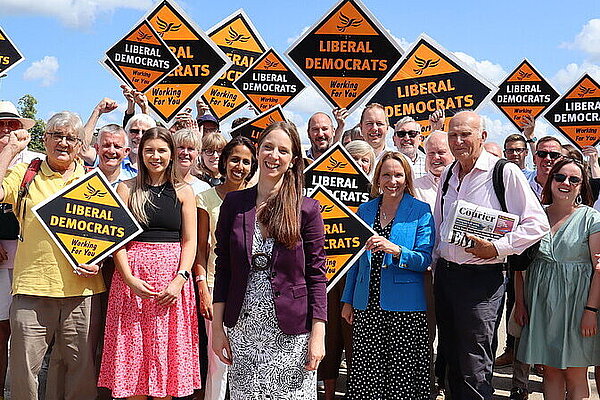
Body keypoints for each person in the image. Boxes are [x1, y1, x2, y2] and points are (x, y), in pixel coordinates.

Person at [433, 110, 549, 400]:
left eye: (465, 134)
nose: (458, 141)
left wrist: (496, 248)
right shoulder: (448, 173)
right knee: (450, 360)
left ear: (482, 137)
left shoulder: (504, 172)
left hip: (481, 281)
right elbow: (439, 226)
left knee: (475, 365)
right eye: (452, 135)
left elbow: (537, 224)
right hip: (446, 277)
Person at [211, 121, 327, 398]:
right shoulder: (234, 204)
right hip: (244, 327)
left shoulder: (307, 209)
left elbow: (316, 274)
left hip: (292, 331)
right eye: (268, 147)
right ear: (258, 152)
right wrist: (217, 329)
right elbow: (223, 267)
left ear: (293, 160)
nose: (274, 155)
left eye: (283, 151)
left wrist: (318, 334)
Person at [0, 111, 105, 400]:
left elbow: (107, 231)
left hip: (82, 291)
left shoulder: (92, 179)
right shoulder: (25, 174)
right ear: (44, 139)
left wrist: (100, 259)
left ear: (80, 145)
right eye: (56, 135)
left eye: (71, 138)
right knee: (24, 372)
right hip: (31, 289)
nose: (63, 142)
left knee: (80, 372)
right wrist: (9, 150)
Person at [98, 127, 200, 399]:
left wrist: (180, 278)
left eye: (162, 150)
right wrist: (129, 278)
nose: (155, 156)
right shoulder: (126, 188)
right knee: (132, 362)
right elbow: (117, 241)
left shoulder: (184, 191)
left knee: (167, 366)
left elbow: (190, 241)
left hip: (172, 288)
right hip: (132, 286)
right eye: (149, 150)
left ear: (172, 154)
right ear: (140, 153)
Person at [341, 151, 435, 399]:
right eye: (386, 175)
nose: (392, 181)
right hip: (366, 304)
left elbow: (425, 259)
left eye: (398, 175)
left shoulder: (420, 211)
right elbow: (355, 262)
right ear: (377, 179)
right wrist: (348, 300)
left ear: (407, 178)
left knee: (401, 376)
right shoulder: (365, 210)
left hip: (405, 308)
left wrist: (397, 251)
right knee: (367, 373)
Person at [516, 158, 600, 400]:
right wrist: (520, 303)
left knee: (575, 374)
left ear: (582, 185)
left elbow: (598, 269)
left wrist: (591, 311)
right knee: (551, 373)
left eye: (574, 179)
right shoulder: (535, 217)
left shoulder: (590, 218)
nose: (566, 183)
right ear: (551, 179)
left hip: (578, 307)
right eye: (560, 177)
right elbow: (520, 267)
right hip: (542, 306)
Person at [195, 136, 257, 400]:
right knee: (218, 362)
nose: (239, 166)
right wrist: (203, 289)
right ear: (224, 162)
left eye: (245, 162)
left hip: (253, 289)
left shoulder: (258, 198)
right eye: (234, 159)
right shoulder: (205, 198)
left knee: (249, 361)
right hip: (214, 285)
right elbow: (201, 249)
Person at [0, 101, 41, 400]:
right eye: (0, 124)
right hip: (2, 259)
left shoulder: (36, 162)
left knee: (29, 334)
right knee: (1, 331)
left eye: (11, 124)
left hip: (31, 258)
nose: (6, 130)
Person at [412, 130, 454, 397]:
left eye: (442, 152)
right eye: (431, 153)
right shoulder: (415, 186)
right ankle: (425, 384)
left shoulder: (463, 183)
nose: (436, 157)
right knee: (424, 335)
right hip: (425, 273)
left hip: (455, 271)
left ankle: (449, 384)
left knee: (453, 335)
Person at [173, 128, 210, 195]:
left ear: (198, 153)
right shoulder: (160, 183)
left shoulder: (204, 188)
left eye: (191, 149)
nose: (185, 152)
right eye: (181, 147)